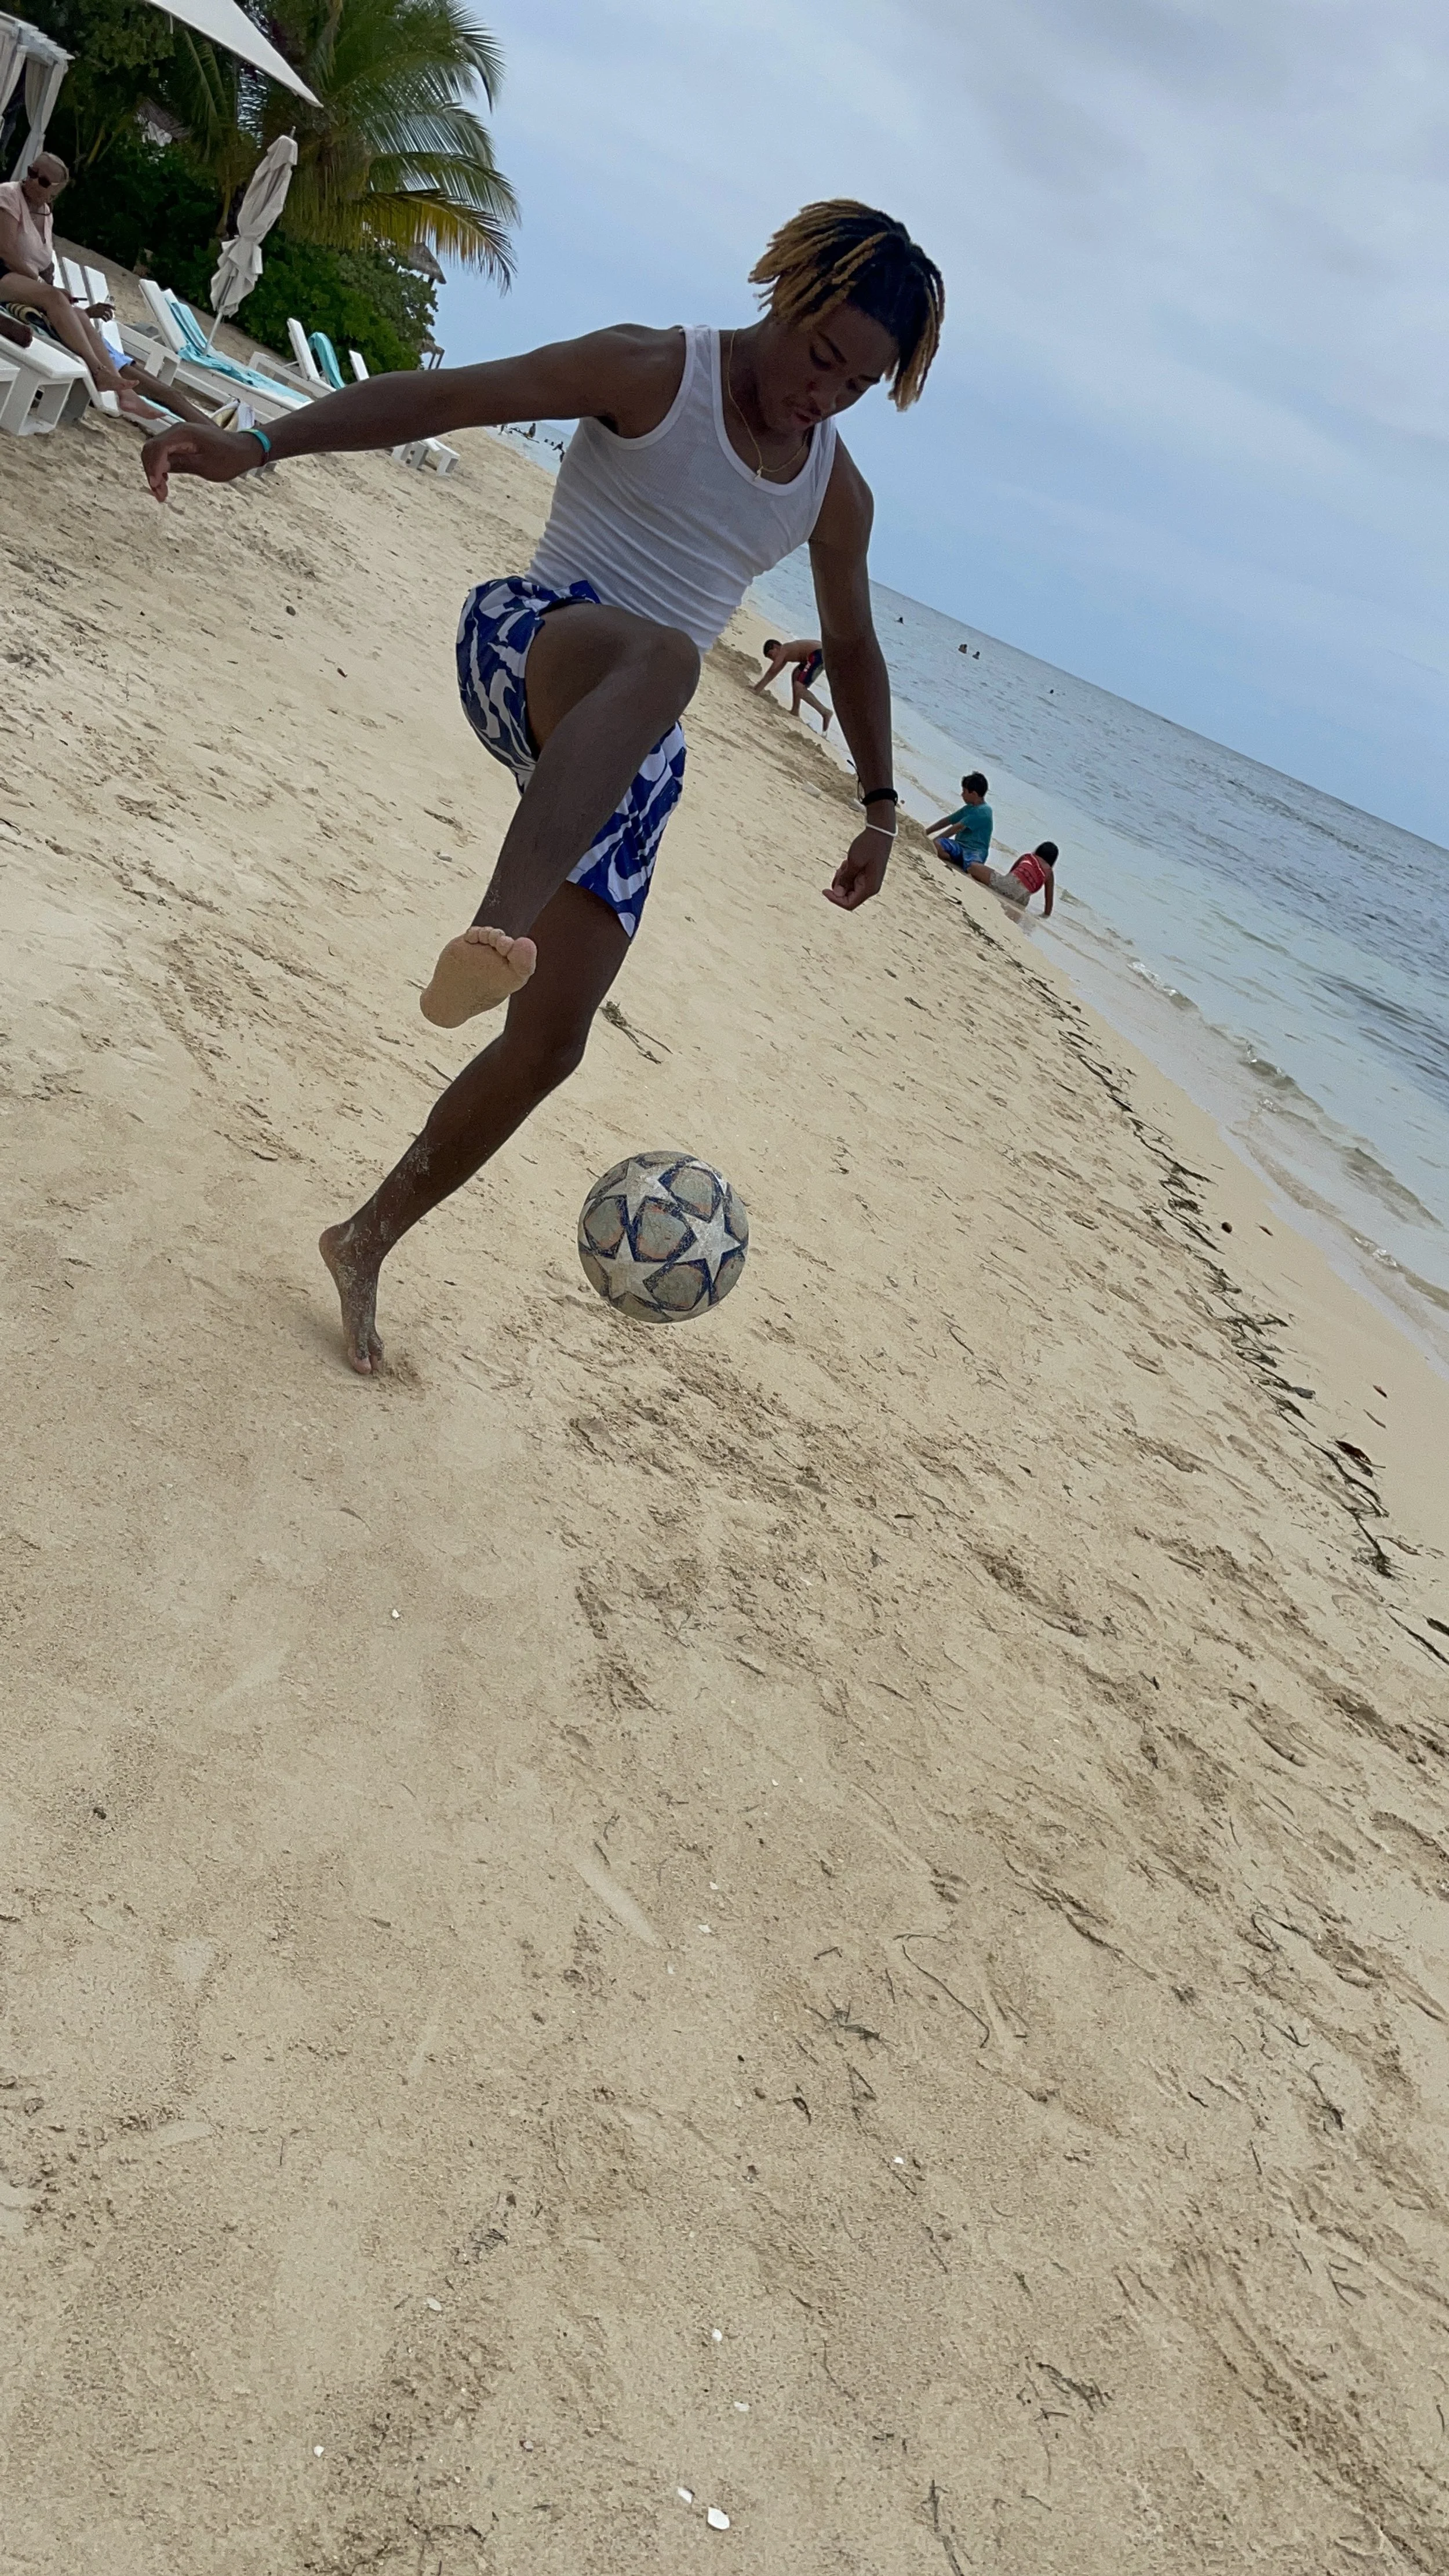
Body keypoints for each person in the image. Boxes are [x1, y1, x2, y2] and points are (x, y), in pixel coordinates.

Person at [139, 198, 945, 1375]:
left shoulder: (833, 491)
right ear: (786, 294)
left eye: (858, 384)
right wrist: (258, 445)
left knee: (550, 1043)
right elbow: (449, 396)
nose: (826, 392)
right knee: (663, 653)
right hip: (528, 647)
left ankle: (364, 1238)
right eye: (823, 353)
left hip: (631, 749)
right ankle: (495, 922)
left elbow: (855, 645)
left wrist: (879, 807)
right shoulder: (650, 370)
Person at [0, 154, 214, 426]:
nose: (31, 180)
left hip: (25, 284)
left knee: (77, 315)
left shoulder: (46, 215)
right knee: (56, 298)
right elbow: (5, 251)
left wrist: (49, 281)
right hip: (4, 274)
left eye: (41, 180)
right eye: (31, 172)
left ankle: (125, 393)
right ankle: (100, 372)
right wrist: (44, 286)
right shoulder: (8, 196)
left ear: (54, 192)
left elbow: (42, 262)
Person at [753, 635, 832, 732]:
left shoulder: (784, 649)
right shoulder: (787, 653)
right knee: (796, 675)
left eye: (771, 655)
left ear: (776, 647)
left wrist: (756, 691)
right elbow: (773, 674)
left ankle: (825, 712)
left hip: (818, 654)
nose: (772, 660)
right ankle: (795, 710)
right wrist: (757, 689)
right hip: (818, 654)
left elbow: (771, 672)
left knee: (799, 687)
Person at [966, 841, 1057, 919]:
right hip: (1023, 900)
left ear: (1039, 850)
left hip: (1008, 885)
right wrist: (1041, 917)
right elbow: (1049, 905)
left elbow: (1011, 875)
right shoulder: (1049, 873)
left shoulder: (1028, 857)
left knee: (972, 867)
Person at [925, 772, 992, 868]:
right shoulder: (969, 808)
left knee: (973, 867)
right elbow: (947, 821)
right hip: (960, 846)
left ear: (973, 794)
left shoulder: (984, 811)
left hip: (975, 851)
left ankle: (964, 864)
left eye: (964, 792)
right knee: (937, 845)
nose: (962, 795)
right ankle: (956, 861)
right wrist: (926, 832)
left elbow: (957, 828)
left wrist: (934, 840)